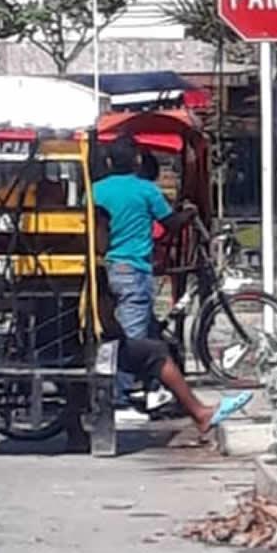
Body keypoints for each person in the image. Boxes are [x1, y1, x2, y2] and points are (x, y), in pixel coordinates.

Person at [94, 206, 251, 434]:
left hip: (70, 342)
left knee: (149, 332)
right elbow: (105, 318)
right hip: (94, 345)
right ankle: (198, 413)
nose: (110, 237)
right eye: (106, 230)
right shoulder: (93, 266)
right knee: (155, 351)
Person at [92, 135, 196, 407]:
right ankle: (119, 396)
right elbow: (170, 222)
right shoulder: (146, 190)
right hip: (133, 269)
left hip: (103, 270)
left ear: (109, 161)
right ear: (137, 161)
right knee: (133, 339)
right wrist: (188, 214)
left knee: (148, 331)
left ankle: (154, 387)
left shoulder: (94, 189)